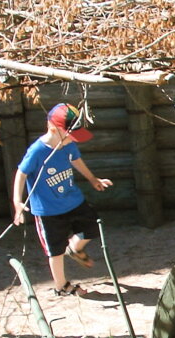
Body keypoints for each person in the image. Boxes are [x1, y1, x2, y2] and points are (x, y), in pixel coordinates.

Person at [12, 103, 113, 297]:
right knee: (55, 250)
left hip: (73, 201)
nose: (72, 140)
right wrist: (17, 201)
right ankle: (62, 285)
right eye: (69, 135)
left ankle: (75, 248)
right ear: (53, 129)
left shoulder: (68, 144)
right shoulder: (37, 151)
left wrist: (93, 179)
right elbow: (21, 174)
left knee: (92, 227)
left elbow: (76, 160)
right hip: (48, 211)